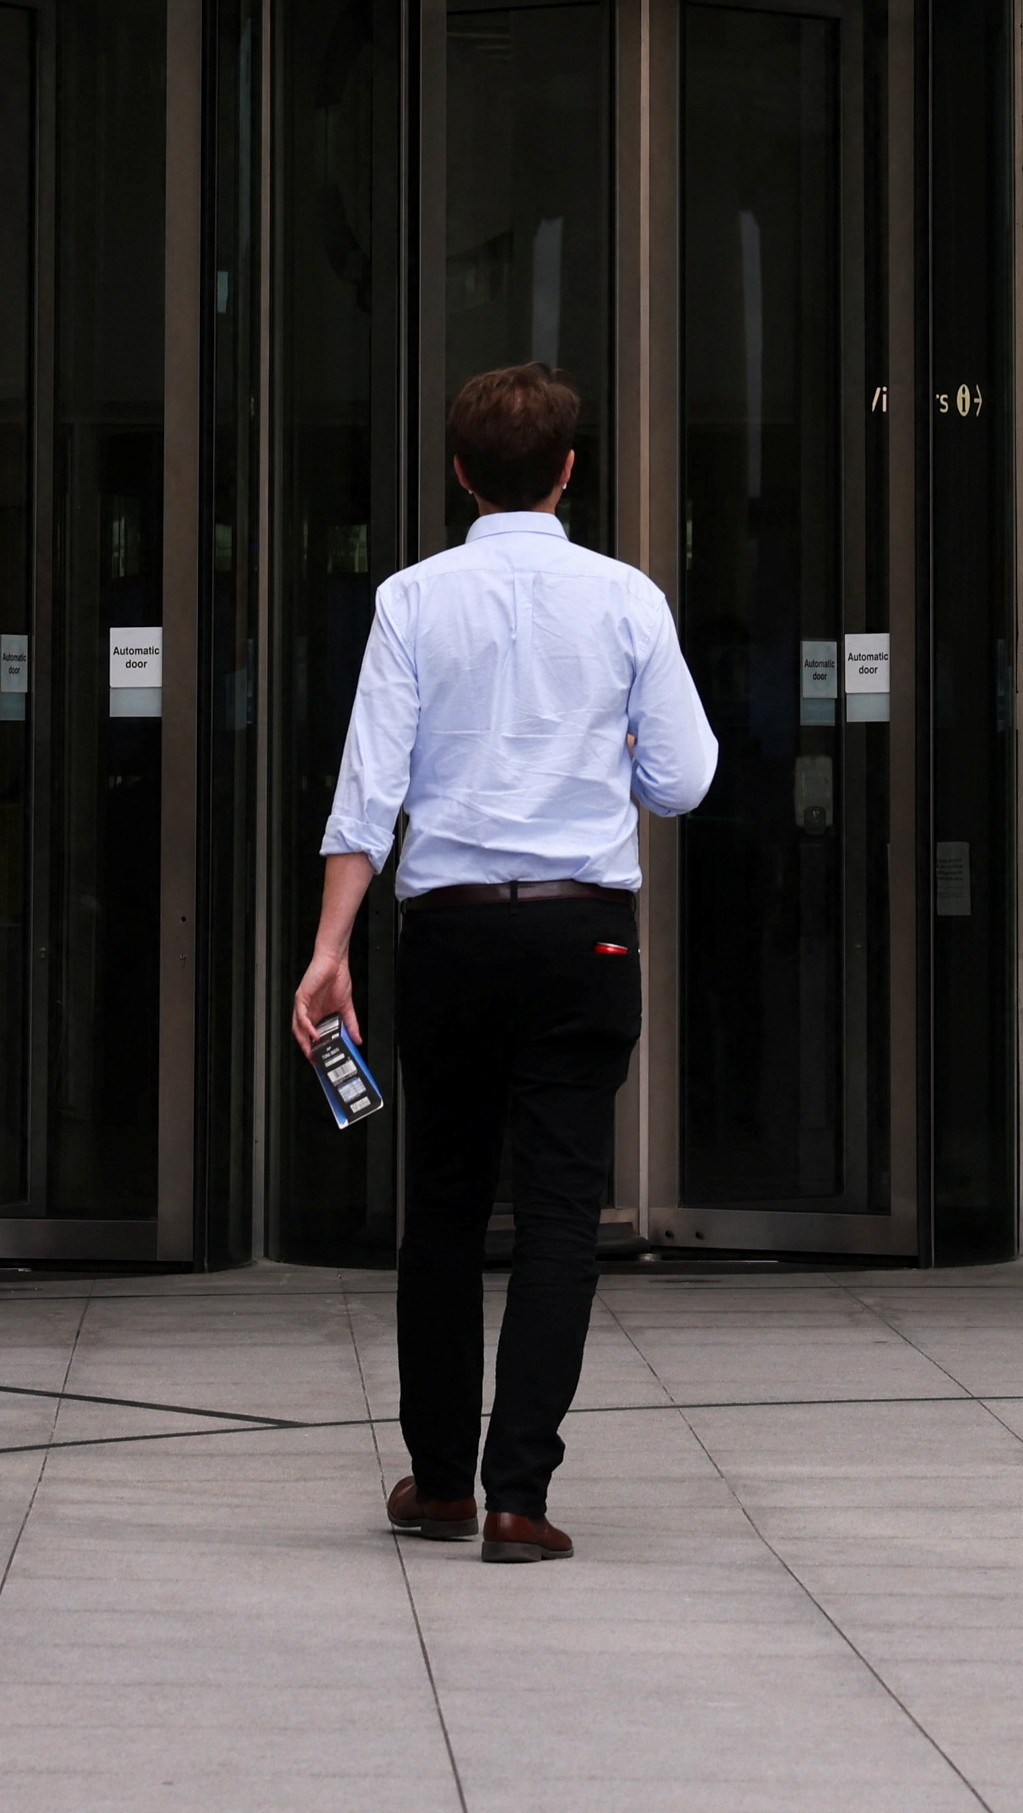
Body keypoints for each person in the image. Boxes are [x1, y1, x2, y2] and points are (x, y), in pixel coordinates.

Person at [291, 362, 715, 1566]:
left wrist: (328, 950)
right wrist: (615, 752)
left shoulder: (413, 599)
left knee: (442, 1203)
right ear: (571, 469)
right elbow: (683, 779)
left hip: (454, 932)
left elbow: (365, 795)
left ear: (461, 472)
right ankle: (519, 1492)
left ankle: (437, 1482)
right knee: (562, 1215)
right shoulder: (627, 597)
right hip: (586, 932)